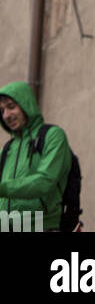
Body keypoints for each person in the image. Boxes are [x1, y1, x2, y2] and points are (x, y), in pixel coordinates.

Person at [0, 80, 72, 232]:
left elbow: (44, 181)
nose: (6, 115)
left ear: (26, 105)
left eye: (11, 107)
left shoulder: (52, 136)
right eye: (2, 111)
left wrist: (3, 188)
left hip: (42, 227)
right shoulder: (8, 149)